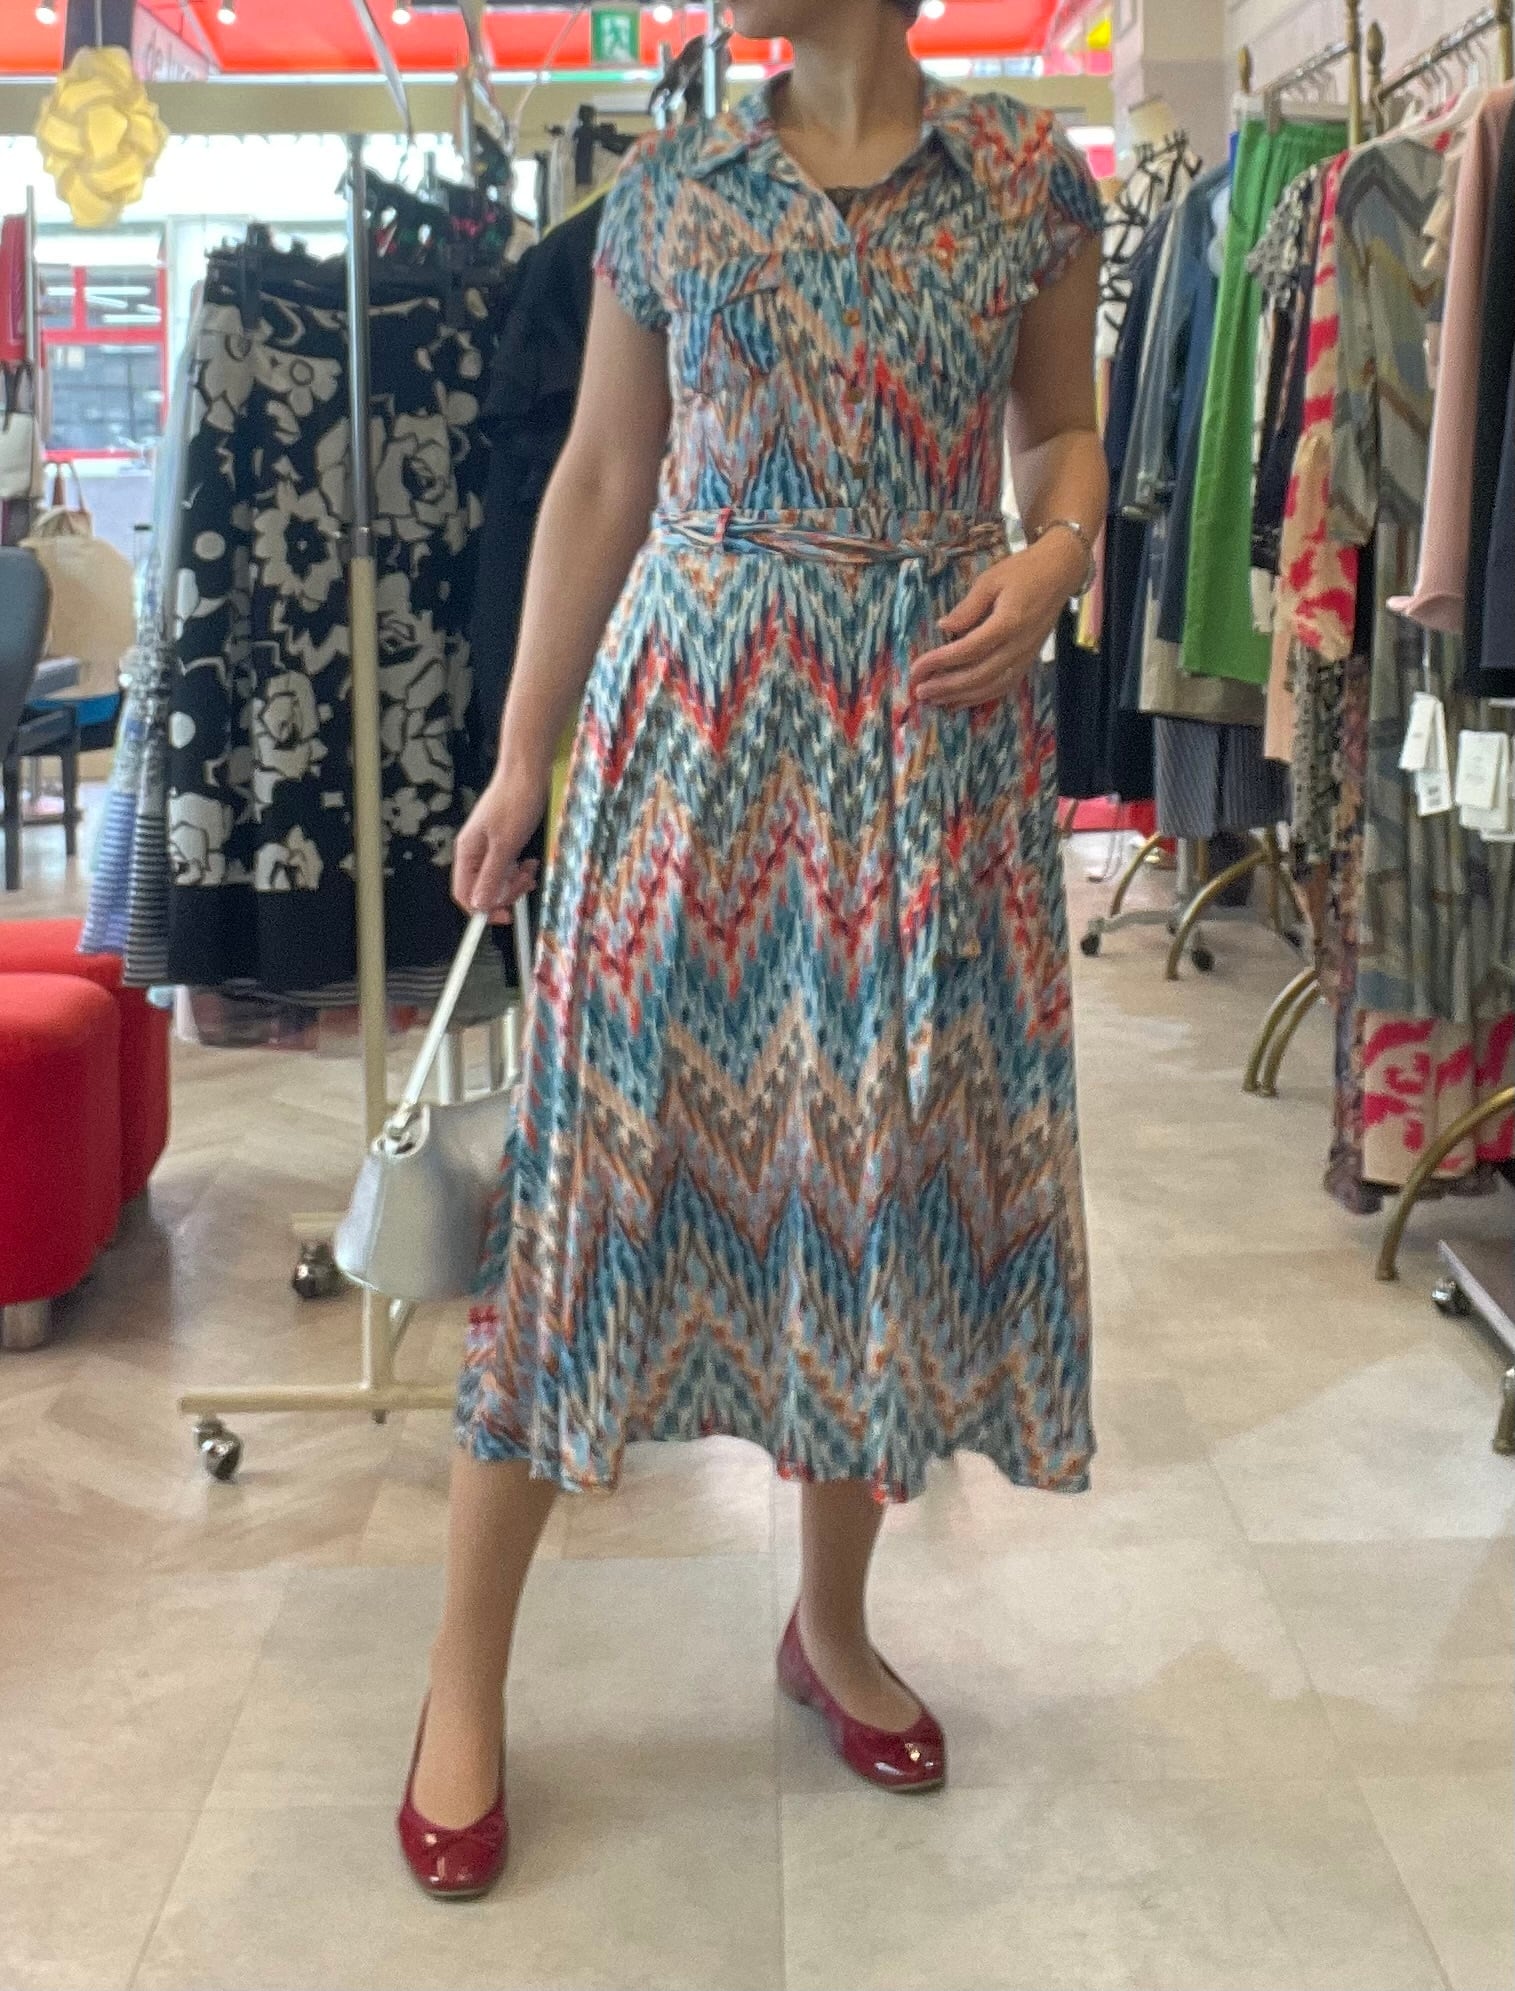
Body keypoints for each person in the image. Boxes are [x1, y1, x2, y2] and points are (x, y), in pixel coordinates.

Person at [398, 0, 1107, 1900]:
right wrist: (523, 757)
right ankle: (463, 1679)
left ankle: (832, 1625)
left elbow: (1062, 434)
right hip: (694, 749)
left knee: (872, 1186)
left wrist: (1055, 555)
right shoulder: (672, 191)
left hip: (929, 754)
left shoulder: (1028, 180)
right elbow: (601, 478)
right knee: (586, 1199)